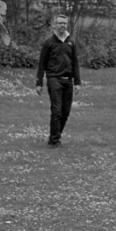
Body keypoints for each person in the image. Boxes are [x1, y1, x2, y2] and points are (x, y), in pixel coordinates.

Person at [36, 14, 81, 148]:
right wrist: (39, 83)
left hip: (68, 81)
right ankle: (55, 141)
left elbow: (75, 63)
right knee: (57, 110)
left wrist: (77, 82)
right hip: (54, 79)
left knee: (65, 112)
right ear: (54, 25)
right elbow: (41, 64)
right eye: (60, 23)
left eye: (64, 23)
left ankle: (54, 136)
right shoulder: (49, 42)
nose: (62, 25)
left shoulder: (71, 42)